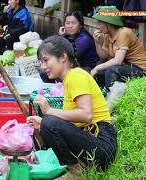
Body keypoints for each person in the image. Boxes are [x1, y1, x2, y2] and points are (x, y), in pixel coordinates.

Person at [27, 36, 117, 174]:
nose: (43, 66)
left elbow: (86, 115)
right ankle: (74, 168)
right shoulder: (70, 78)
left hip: (102, 146)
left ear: (63, 57)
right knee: (47, 123)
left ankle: (74, 170)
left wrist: (49, 111)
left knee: (49, 122)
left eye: (46, 60)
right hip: (92, 140)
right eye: (41, 62)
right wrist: (43, 123)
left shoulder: (76, 76)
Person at [91, 6, 146, 89]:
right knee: (100, 64)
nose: (98, 25)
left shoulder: (123, 33)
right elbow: (104, 57)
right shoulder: (108, 35)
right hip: (126, 65)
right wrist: (97, 42)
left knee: (111, 71)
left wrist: (97, 68)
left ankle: (110, 97)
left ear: (108, 23)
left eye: (100, 22)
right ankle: (99, 93)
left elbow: (118, 60)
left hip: (140, 69)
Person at [38, 11, 100, 83]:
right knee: (44, 72)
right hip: (72, 65)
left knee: (58, 72)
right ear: (64, 25)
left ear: (80, 25)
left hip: (87, 68)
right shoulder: (66, 35)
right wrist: (61, 36)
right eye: (67, 23)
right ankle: (55, 91)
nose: (70, 26)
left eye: (73, 23)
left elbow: (70, 54)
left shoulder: (85, 39)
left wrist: (61, 38)